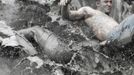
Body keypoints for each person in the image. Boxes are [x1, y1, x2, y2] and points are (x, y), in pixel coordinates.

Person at [59, 0, 134, 47]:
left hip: (122, 38)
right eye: (106, 1)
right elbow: (67, 16)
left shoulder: (111, 18)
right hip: (114, 37)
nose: (109, 4)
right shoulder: (89, 11)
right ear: (98, 3)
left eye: (111, 2)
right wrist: (65, 5)